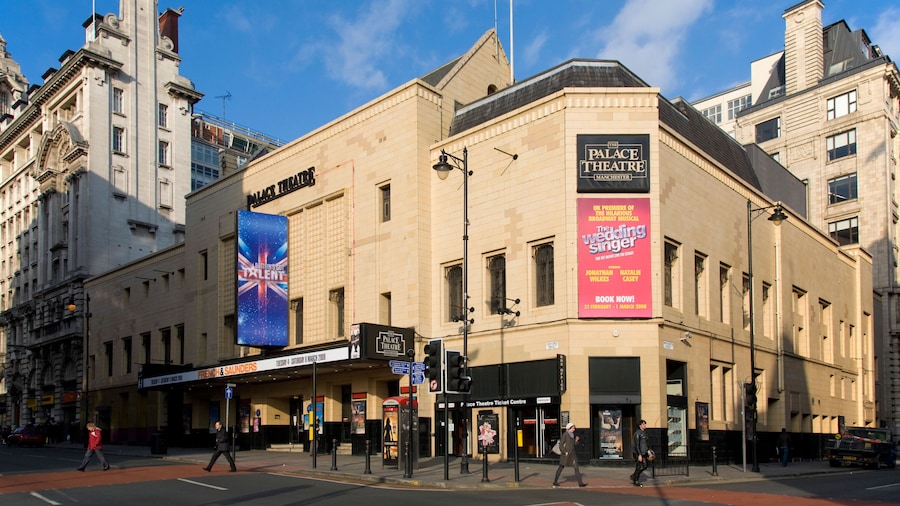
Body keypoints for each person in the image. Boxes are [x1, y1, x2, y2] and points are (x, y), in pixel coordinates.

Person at [553, 422, 587, 488]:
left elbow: (574, 444)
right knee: (561, 467)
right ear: (569, 428)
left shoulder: (573, 435)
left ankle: (580, 483)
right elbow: (561, 445)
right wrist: (564, 451)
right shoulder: (565, 435)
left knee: (576, 468)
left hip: (572, 454)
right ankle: (555, 481)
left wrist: (576, 441)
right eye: (573, 428)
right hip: (566, 454)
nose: (574, 429)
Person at [630, 419, 650, 487]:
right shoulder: (637, 433)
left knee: (645, 465)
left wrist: (648, 450)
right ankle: (636, 481)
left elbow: (646, 443)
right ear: (640, 425)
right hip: (638, 453)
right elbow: (637, 445)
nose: (645, 425)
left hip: (644, 451)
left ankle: (634, 476)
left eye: (645, 424)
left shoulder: (644, 433)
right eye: (643, 424)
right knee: (639, 466)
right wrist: (639, 455)